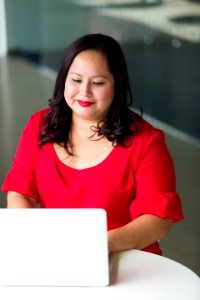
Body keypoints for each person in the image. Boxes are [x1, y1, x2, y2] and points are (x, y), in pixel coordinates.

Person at [2, 33, 183, 255]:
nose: (84, 92)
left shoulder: (147, 142)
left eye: (97, 83)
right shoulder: (39, 125)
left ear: (117, 84)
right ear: (64, 80)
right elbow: (21, 192)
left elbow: (158, 220)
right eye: (76, 80)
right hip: (56, 254)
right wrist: (32, 238)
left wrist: (98, 247)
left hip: (126, 257)